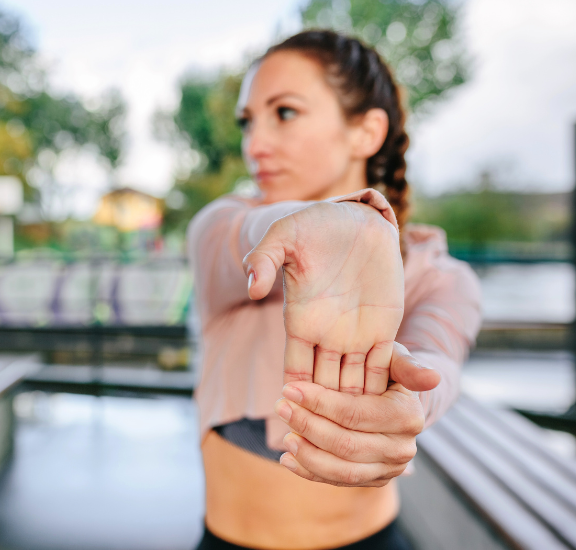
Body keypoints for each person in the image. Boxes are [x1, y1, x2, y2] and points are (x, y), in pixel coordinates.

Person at [187, 30, 482, 550]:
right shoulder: (226, 225)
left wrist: (412, 403)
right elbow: (248, 236)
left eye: (284, 112)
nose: (254, 144)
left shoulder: (439, 274)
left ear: (366, 131)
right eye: (247, 121)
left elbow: (440, 361)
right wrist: (327, 225)